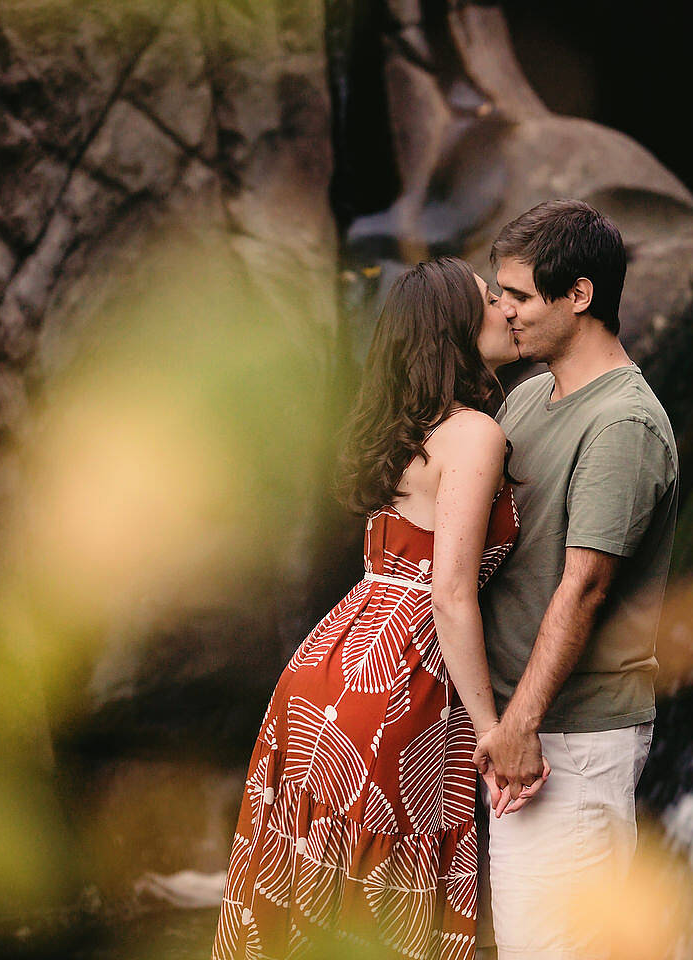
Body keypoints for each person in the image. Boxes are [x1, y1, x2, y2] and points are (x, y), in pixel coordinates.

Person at [213, 257, 548, 960]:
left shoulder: (404, 425)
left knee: (309, 889)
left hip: (327, 667)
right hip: (399, 679)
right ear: (456, 325)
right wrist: (494, 734)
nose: (508, 309)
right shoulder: (474, 434)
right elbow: (450, 592)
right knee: (381, 906)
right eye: (491, 299)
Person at [475, 200, 680, 959]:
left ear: (580, 295)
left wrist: (523, 725)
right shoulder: (530, 397)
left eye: (520, 296)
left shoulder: (623, 424)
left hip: (570, 742)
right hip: (515, 735)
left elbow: (584, 588)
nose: (505, 311)